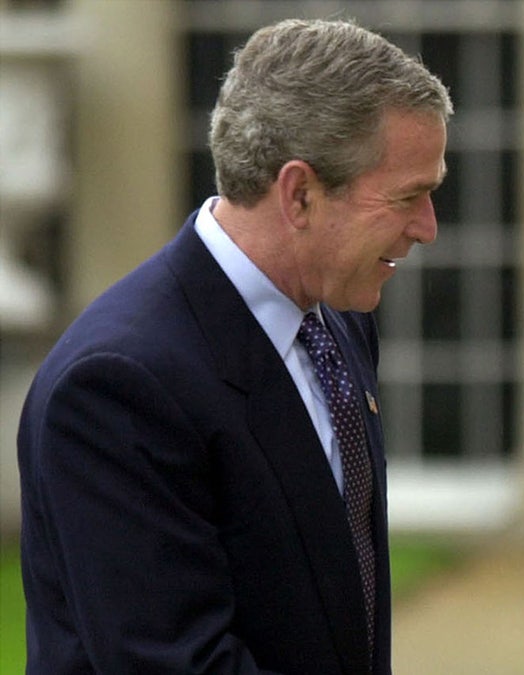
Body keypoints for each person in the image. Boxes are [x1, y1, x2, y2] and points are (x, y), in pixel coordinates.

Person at [18, 18, 452, 673]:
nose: (428, 228)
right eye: (408, 197)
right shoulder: (117, 384)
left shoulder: (337, 320)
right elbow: (173, 663)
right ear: (300, 193)